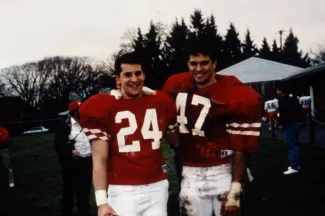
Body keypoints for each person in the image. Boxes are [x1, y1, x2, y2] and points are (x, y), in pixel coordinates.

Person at [162, 39, 262, 216]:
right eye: (193, 63)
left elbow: (241, 149)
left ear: (214, 63)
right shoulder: (176, 86)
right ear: (188, 64)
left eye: (204, 63)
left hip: (223, 169)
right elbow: (163, 118)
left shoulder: (233, 91)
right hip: (190, 171)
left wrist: (235, 190)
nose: (198, 69)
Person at [79, 52, 178, 216]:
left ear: (144, 75)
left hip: (157, 186)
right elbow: (99, 160)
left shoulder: (160, 102)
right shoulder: (104, 107)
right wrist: (102, 202)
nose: (134, 79)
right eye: (128, 74)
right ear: (118, 79)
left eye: (138, 73)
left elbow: (177, 141)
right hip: (123, 190)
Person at [54, 101, 92, 216]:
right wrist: (70, 151)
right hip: (72, 164)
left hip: (87, 162)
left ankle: (84, 211)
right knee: (69, 190)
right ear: (74, 112)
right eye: (81, 110)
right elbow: (58, 144)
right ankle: (67, 212)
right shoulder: (65, 126)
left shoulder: (87, 124)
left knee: (85, 190)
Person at [277, 84, 302, 175]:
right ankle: (296, 164)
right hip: (296, 124)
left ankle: (294, 166)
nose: (277, 92)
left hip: (289, 125)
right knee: (294, 145)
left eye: (277, 90)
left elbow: (283, 114)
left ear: (281, 91)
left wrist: (280, 124)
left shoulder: (282, 101)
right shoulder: (293, 99)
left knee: (291, 146)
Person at [0, 117, 14, 188]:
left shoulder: (4, 131)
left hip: (3, 150)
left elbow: (5, 141)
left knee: (7, 166)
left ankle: (11, 182)